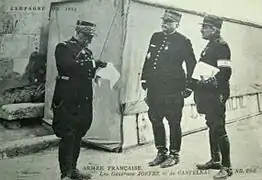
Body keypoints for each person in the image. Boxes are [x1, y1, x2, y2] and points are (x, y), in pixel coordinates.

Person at [51, 20, 107, 180]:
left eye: (91, 37)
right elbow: (68, 66)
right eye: (87, 37)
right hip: (67, 99)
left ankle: (73, 170)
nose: (89, 40)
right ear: (78, 33)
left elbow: (87, 71)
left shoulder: (87, 52)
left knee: (78, 135)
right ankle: (65, 174)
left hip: (83, 99)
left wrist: (98, 69)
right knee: (68, 135)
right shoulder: (63, 47)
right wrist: (93, 63)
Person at [141, 9, 196, 168]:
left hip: (173, 89)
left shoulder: (183, 41)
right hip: (155, 88)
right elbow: (149, 59)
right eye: (163, 21)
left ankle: (174, 154)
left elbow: (191, 64)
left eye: (169, 22)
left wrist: (189, 86)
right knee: (156, 120)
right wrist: (145, 80)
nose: (164, 25)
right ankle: (161, 152)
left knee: (173, 122)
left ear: (177, 24)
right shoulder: (155, 37)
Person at [191, 15, 233, 179]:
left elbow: (225, 72)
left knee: (219, 127)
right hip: (208, 92)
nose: (201, 29)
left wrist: (211, 81)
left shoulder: (221, 46)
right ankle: (216, 159)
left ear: (214, 29)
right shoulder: (211, 45)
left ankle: (227, 167)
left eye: (204, 27)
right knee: (211, 125)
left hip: (217, 93)